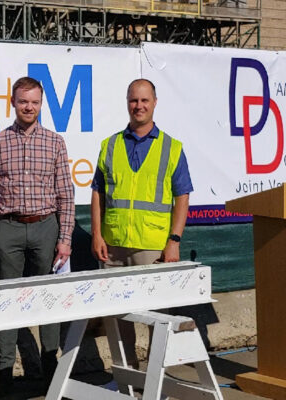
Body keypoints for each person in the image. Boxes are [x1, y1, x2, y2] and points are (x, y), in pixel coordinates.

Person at [0, 77, 75, 397]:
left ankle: (51, 368)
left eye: (34, 102)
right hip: (7, 230)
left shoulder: (55, 142)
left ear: (41, 103)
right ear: (13, 102)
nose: (29, 107)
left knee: (47, 300)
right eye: (23, 101)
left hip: (46, 228)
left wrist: (65, 238)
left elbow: (66, 194)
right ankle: (4, 372)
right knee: (8, 301)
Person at [90, 78, 193, 367]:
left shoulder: (171, 148)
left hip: (153, 248)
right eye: (134, 100)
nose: (139, 106)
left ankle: (156, 381)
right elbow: (98, 192)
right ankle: (126, 378)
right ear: (127, 103)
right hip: (114, 247)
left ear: (155, 103)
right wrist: (97, 234)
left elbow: (182, 197)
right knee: (118, 318)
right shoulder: (110, 145)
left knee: (157, 318)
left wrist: (174, 241)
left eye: (145, 100)